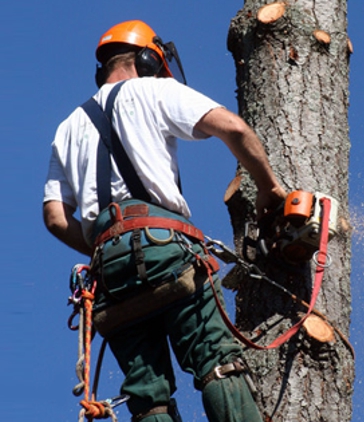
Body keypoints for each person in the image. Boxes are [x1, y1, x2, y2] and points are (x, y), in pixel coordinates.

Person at [43, 20, 286, 422]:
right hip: (163, 249)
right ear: (148, 60)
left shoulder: (67, 128)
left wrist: (111, 245)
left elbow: (54, 217)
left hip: (109, 269)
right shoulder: (155, 90)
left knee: (147, 396)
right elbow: (234, 128)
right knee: (215, 361)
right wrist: (269, 187)